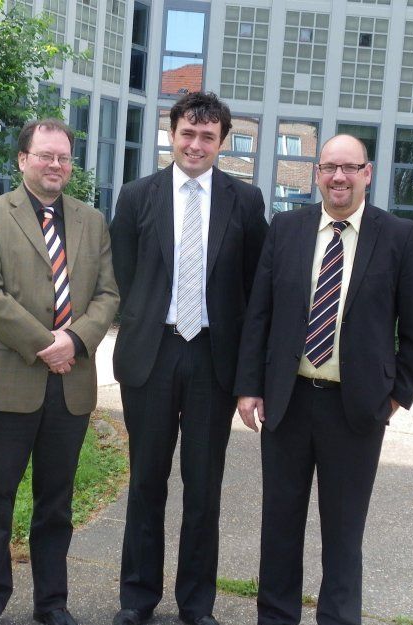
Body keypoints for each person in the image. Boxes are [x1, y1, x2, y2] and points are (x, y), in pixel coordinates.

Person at [233, 134, 413, 625]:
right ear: (316, 173)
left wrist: (396, 397)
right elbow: (260, 313)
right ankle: (276, 617)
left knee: (344, 533)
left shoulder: (399, 235)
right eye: (328, 168)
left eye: (349, 168)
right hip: (288, 401)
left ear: (367, 173)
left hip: (356, 408)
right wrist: (249, 386)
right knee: (280, 525)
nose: (338, 177)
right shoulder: (287, 228)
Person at [109, 91, 268, 625]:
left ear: (221, 142)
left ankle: (196, 605)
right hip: (151, 355)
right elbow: (125, 277)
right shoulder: (137, 197)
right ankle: (137, 600)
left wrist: (251, 374)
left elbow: (254, 291)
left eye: (207, 136)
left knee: (204, 488)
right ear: (171, 134)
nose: (195, 144)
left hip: (213, 360)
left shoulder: (246, 202)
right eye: (186, 133)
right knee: (146, 482)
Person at [0, 119, 119, 625]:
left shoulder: (92, 221)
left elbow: (107, 295)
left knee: (56, 504)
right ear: (22, 159)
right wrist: (44, 345)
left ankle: (52, 604)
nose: (56, 166)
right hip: (9, 378)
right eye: (46, 156)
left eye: (64, 158)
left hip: (70, 384)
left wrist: (73, 340)